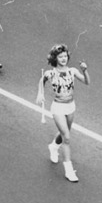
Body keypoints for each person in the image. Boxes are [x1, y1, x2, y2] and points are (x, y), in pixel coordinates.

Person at [35, 43, 90, 183]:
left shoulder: (72, 71)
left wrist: (85, 71)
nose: (64, 59)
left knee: (64, 134)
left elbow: (86, 82)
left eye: (65, 56)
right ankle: (69, 170)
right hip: (58, 107)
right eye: (61, 56)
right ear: (55, 58)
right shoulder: (51, 73)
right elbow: (42, 81)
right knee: (67, 137)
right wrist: (40, 94)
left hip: (70, 106)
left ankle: (53, 146)